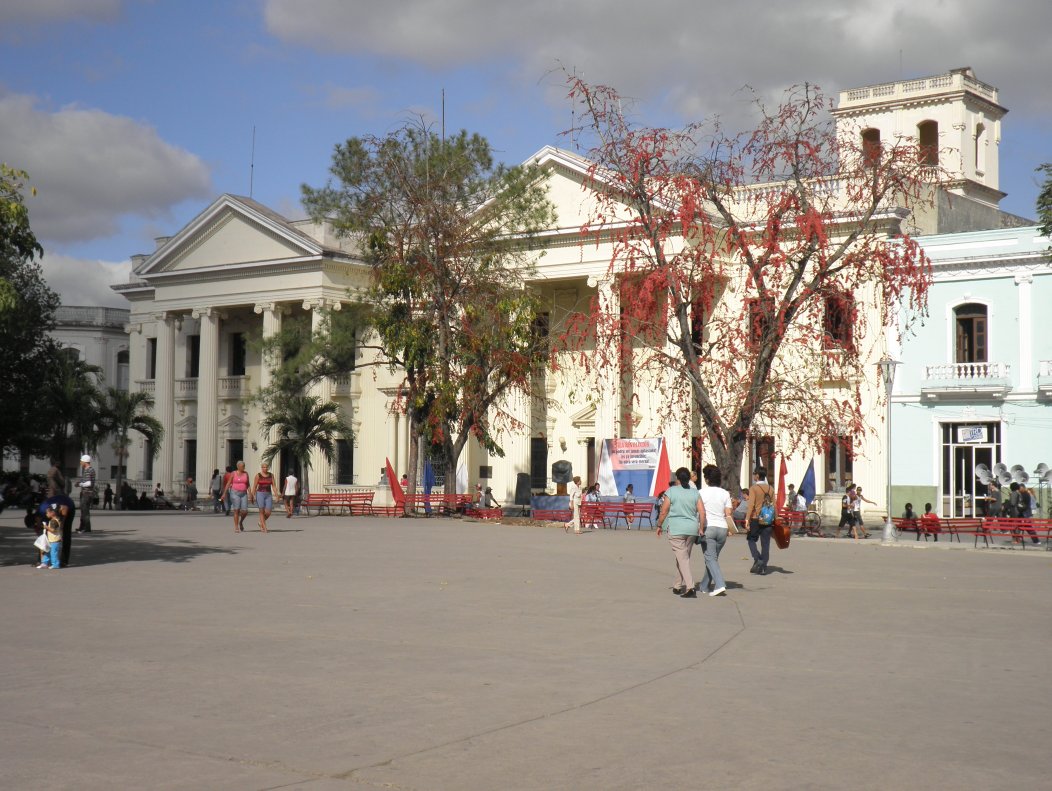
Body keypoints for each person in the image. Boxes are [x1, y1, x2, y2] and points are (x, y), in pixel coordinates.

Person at [655, 467, 702, 597]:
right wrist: (701, 527)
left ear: (678, 478)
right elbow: (702, 512)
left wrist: (659, 525)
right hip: (692, 529)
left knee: (683, 559)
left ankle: (690, 587)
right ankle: (677, 585)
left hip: (676, 529)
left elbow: (664, 511)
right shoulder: (695, 493)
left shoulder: (671, 491)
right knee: (682, 558)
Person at [698, 464, 733, 596]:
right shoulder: (725, 493)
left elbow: (699, 512)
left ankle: (719, 584)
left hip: (708, 527)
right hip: (722, 528)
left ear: (707, 479)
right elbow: (728, 512)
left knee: (710, 558)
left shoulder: (701, 493)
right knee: (712, 558)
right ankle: (704, 585)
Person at [744, 466, 775, 575]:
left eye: (754, 474)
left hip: (756, 518)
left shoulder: (753, 488)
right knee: (765, 543)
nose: (753, 476)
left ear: (757, 475)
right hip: (768, 519)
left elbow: (751, 504)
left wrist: (747, 518)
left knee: (751, 539)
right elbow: (774, 505)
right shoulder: (770, 489)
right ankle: (764, 566)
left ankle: (757, 558)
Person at [221, 461, 250, 533]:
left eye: (244, 466)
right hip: (235, 493)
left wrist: (251, 493)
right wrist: (224, 493)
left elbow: (248, 484)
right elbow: (228, 483)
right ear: (238, 467)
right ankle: (236, 527)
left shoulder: (246, 473)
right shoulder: (233, 473)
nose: (243, 467)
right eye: (242, 466)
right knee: (236, 510)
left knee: (245, 511)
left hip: (244, 493)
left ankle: (241, 522)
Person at [37, 504, 64, 569]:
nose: (46, 514)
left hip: (54, 540)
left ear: (52, 513)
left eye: (47, 512)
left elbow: (53, 530)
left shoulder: (53, 521)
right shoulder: (57, 519)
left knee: (53, 553)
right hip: (51, 539)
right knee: (47, 551)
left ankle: (55, 564)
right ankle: (44, 563)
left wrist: (46, 527)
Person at [250, 462, 275, 532]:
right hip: (260, 494)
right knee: (261, 511)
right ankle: (264, 527)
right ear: (261, 468)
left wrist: (276, 494)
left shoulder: (271, 475)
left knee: (268, 512)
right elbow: (254, 486)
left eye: (266, 467)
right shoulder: (258, 475)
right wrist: (252, 496)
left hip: (268, 494)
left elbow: (274, 485)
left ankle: (260, 522)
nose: (265, 468)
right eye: (263, 467)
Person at [76, 454, 96, 533]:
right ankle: (82, 527)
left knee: (85, 511)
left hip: (87, 493)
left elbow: (89, 483)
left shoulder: (89, 470)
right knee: (83, 510)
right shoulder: (87, 470)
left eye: (81, 461)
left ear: (85, 461)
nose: (80, 462)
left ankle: (87, 528)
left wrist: (79, 484)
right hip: (85, 493)